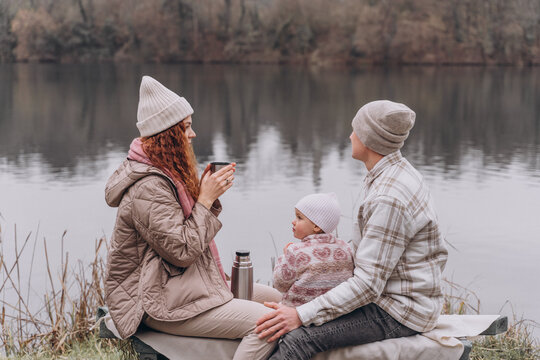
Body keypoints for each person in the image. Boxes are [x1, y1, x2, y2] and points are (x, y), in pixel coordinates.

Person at [104, 76, 281, 360]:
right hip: (156, 300)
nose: (193, 134)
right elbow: (182, 251)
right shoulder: (148, 186)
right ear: (167, 134)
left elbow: (185, 236)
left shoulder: (165, 173)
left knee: (281, 303)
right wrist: (205, 199)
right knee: (268, 324)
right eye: (186, 127)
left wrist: (203, 195)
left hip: (182, 285)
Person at [256, 100, 449, 360]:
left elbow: (369, 285)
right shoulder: (393, 173)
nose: (350, 136)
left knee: (296, 340)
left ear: (369, 140)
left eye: (355, 130)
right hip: (390, 298)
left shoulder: (389, 197)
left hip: (398, 311)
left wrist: (300, 315)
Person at [273, 193, 354, 307]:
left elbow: (280, 284)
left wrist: (284, 257)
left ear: (316, 226)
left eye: (299, 217)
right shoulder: (346, 248)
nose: (293, 221)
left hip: (297, 311)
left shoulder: (295, 251)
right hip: (334, 311)